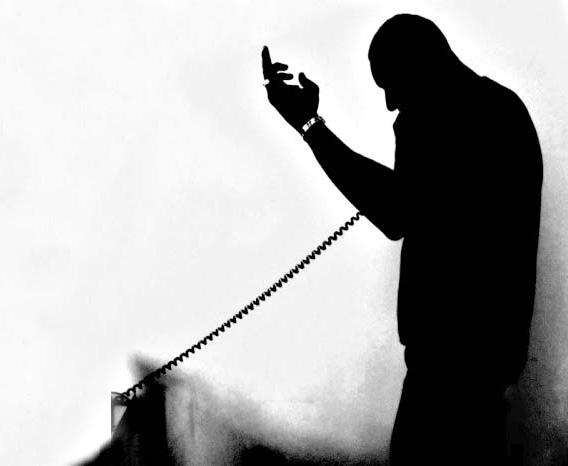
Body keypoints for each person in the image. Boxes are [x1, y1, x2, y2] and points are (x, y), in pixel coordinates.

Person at [261, 13, 542, 465]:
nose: (391, 104)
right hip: (482, 368)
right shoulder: (502, 110)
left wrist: (310, 127)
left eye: (392, 85)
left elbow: (397, 211)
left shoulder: (440, 117)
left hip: (447, 371)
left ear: (421, 66)